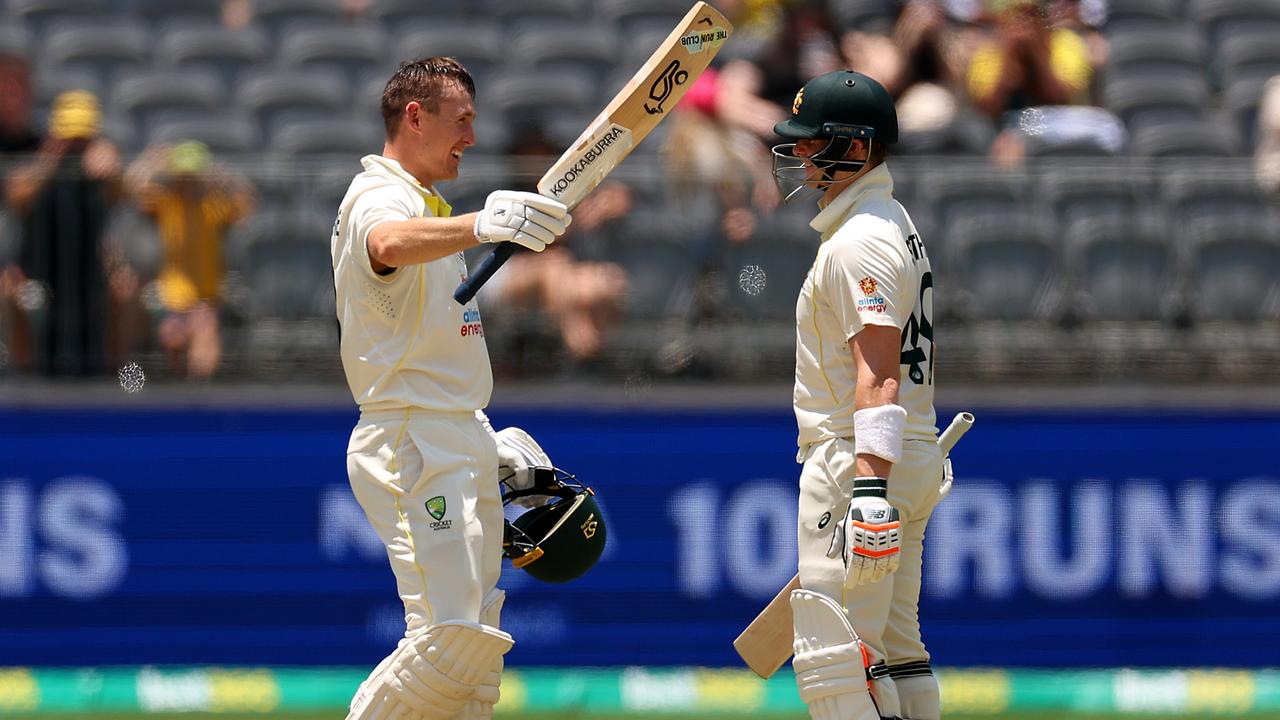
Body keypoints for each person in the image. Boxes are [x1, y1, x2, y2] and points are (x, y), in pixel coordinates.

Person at [330, 57, 572, 720]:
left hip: (446, 432)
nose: (471, 134)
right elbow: (386, 241)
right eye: (460, 119)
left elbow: (433, 352)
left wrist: (481, 439)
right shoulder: (382, 197)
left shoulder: (424, 203)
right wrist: (481, 225)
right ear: (416, 117)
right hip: (411, 440)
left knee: (473, 652)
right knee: (447, 639)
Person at [770, 70, 944, 720]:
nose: (800, 156)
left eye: (814, 142)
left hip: (858, 460)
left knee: (837, 663)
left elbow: (878, 374)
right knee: (897, 652)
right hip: (906, 453)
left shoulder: (860, 241)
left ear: (856, 146)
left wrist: (868, 493)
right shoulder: (888, 221)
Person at [2, 89, 131, 376]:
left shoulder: (102, 168)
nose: (75, 146)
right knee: (10, 289)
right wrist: (47, 162)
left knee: (124, 290)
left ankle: (123, 381)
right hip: (40, 272)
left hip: (90, 273)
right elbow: (16, 196)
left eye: (82, 139)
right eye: (69, 137)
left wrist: (114, 171)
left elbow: (124, 195)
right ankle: (23, 380)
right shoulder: (39, 161)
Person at [125, 140, 255, 379]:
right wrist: (152, 163)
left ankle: (199, 393)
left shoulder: (215, 206)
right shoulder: (166, 203)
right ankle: (177, 389)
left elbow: (247, 206)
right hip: (171, 295)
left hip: (207, 295)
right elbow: (132, 187)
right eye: (182, 177)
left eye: (192, 177)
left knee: (205, 328)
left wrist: (226, 178)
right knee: (172, 335)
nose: (187, 184)